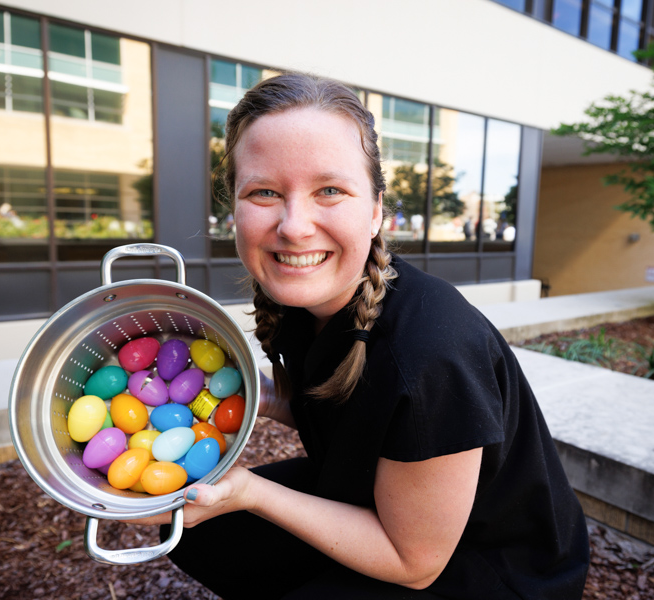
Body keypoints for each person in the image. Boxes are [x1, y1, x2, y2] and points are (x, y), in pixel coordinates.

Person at [133, 73, 590, 599]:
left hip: (485, 566)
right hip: (374, 496)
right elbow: (340, 407)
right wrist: (239, 393)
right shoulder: (308, 305)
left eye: (329, 190)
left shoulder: (429, 352)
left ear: (375, 211)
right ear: (233, 209)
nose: (294, 225)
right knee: (196, 531)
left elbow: (413, 562)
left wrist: (250, 493)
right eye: (264, 192)